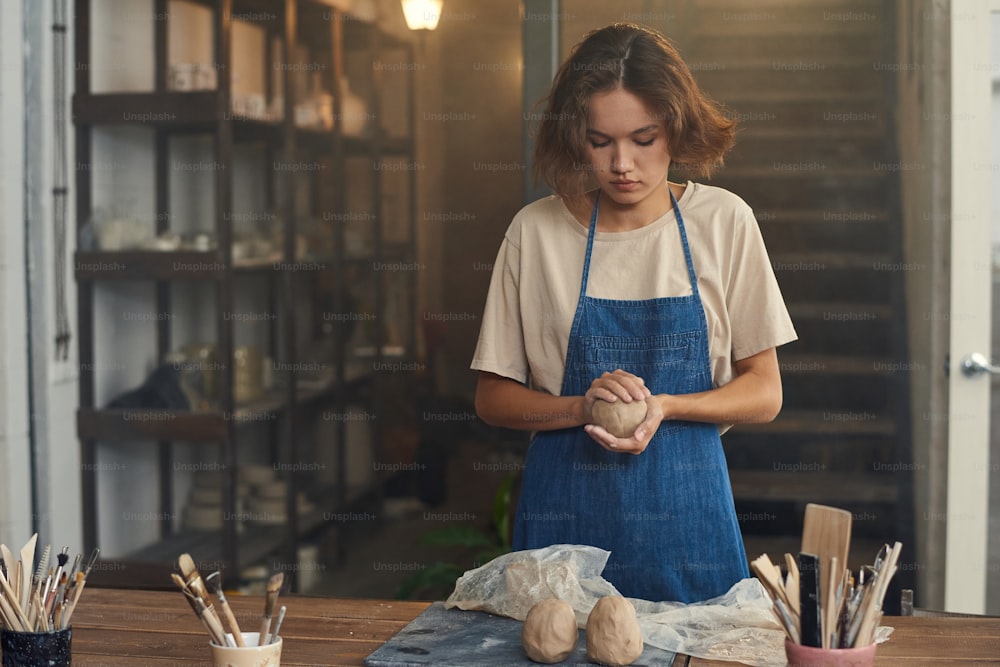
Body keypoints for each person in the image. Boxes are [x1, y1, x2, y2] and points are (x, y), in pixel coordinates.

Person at [470, 23, 797, 603]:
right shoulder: (536, 232)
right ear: (577, 138)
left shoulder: (724, 222)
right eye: (601, 141)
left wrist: (664, 407)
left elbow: (764, 393)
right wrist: (581, 406)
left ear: (675, 129)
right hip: (562, 532)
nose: (622, 163)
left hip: (690, 525)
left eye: (643, 139)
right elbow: (493, 399)